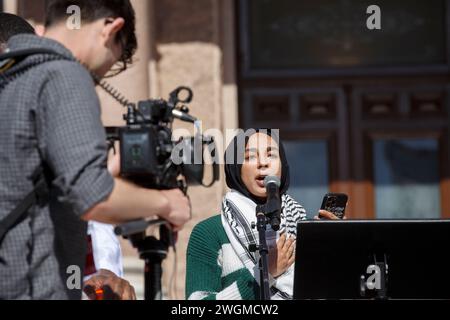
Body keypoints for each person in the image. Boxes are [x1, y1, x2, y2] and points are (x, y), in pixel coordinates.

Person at [0, 0, 190, 300]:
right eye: (111, 61)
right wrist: (167, 203)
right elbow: (92, 197)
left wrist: (107, 173)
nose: (100, 75)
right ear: (111, 28)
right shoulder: (64, 74)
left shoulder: (12, 72)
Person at [186, 129, 340, 300]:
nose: (263, 163)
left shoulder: (305, 232)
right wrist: (264, 274)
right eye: (250, 157)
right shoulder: (209, 232)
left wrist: (335, 247)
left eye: (271, 155)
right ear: (235, 168)